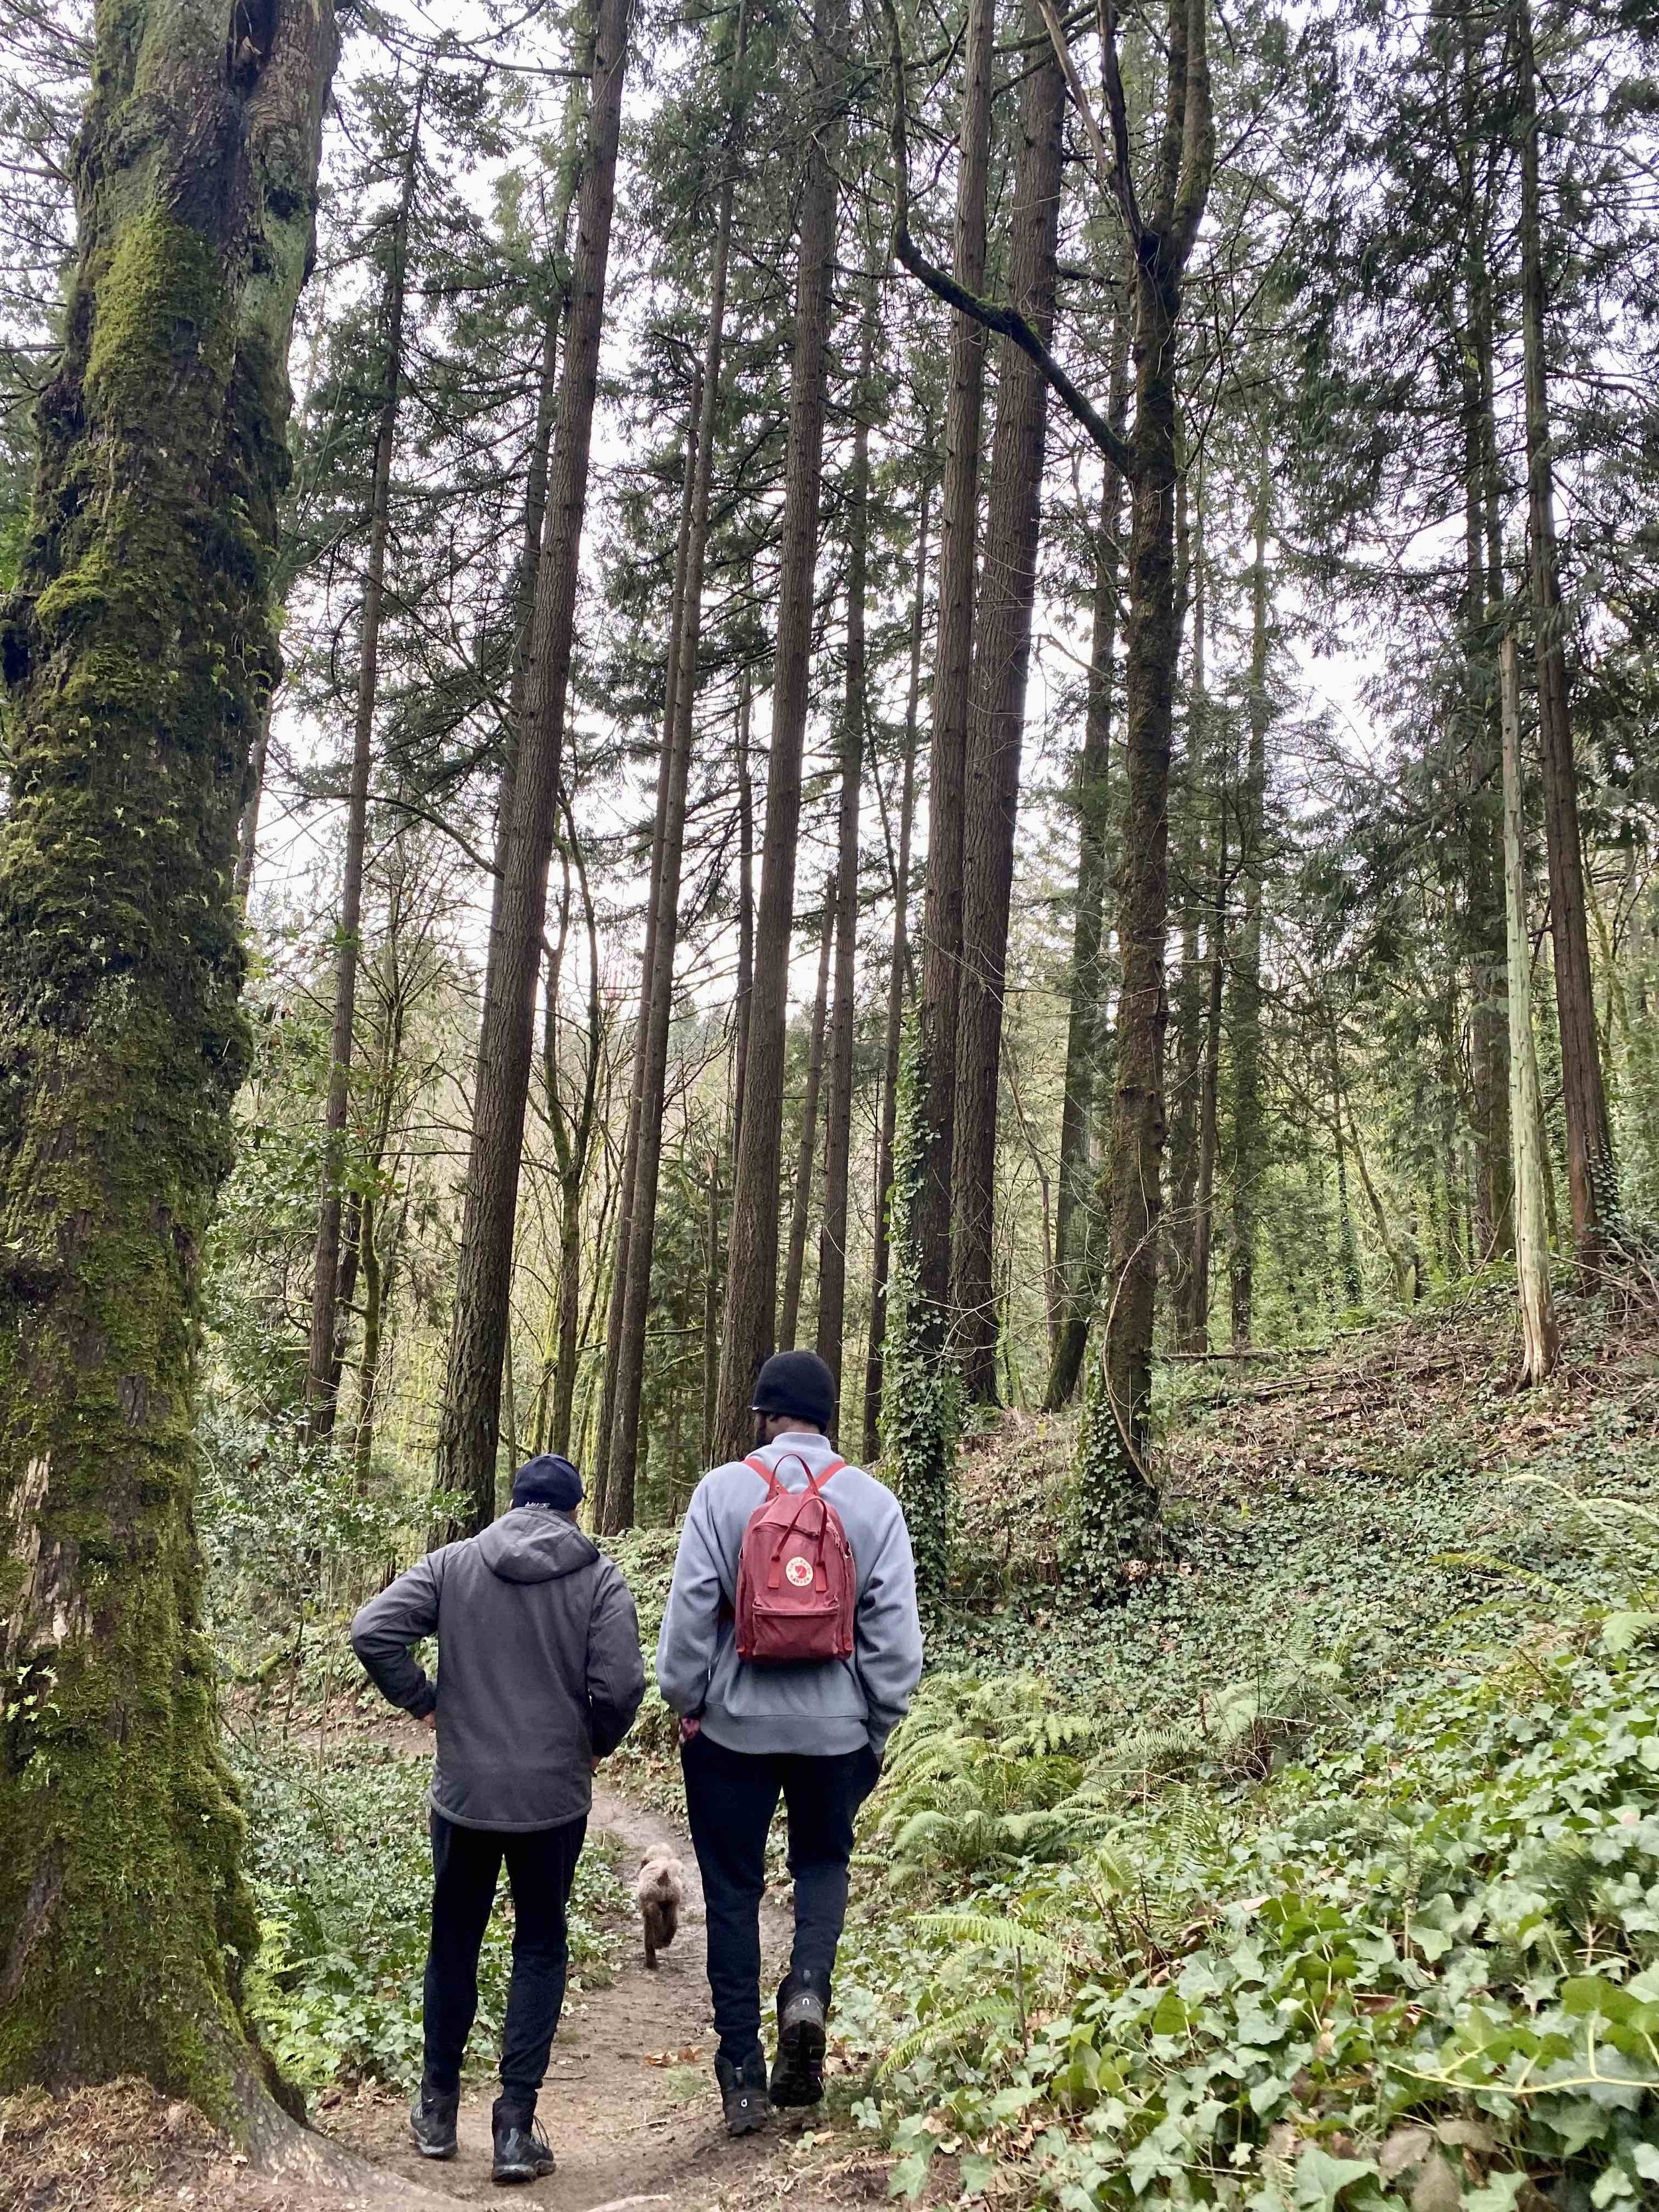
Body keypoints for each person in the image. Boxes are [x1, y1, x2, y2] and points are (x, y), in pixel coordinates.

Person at [351, 1452, 643, 2184]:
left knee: (454, 1940)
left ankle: (438, 2110)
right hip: (553, 1797)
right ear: (576, 1509)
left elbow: (373, 1629)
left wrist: (426, 1702)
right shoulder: (598, 1578)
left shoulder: (454, 1565)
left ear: (514, 1504)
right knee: (540, 1945)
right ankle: (515, 2128)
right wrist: (592, 1745)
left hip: (466, 1794)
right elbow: (623, 1684)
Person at [656, 1349, 923, 2136]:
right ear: (828, 1419)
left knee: (732, 1891)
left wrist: (689, 1703)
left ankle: (740, 2071)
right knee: (821, 1864)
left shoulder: (721, 1491)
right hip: (835, 1733)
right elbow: (896, 1644)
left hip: (731, 1733)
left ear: (766, 1417)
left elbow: (689, 1620)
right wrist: (872, 1723)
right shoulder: (873, 1504)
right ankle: (807, 1990)